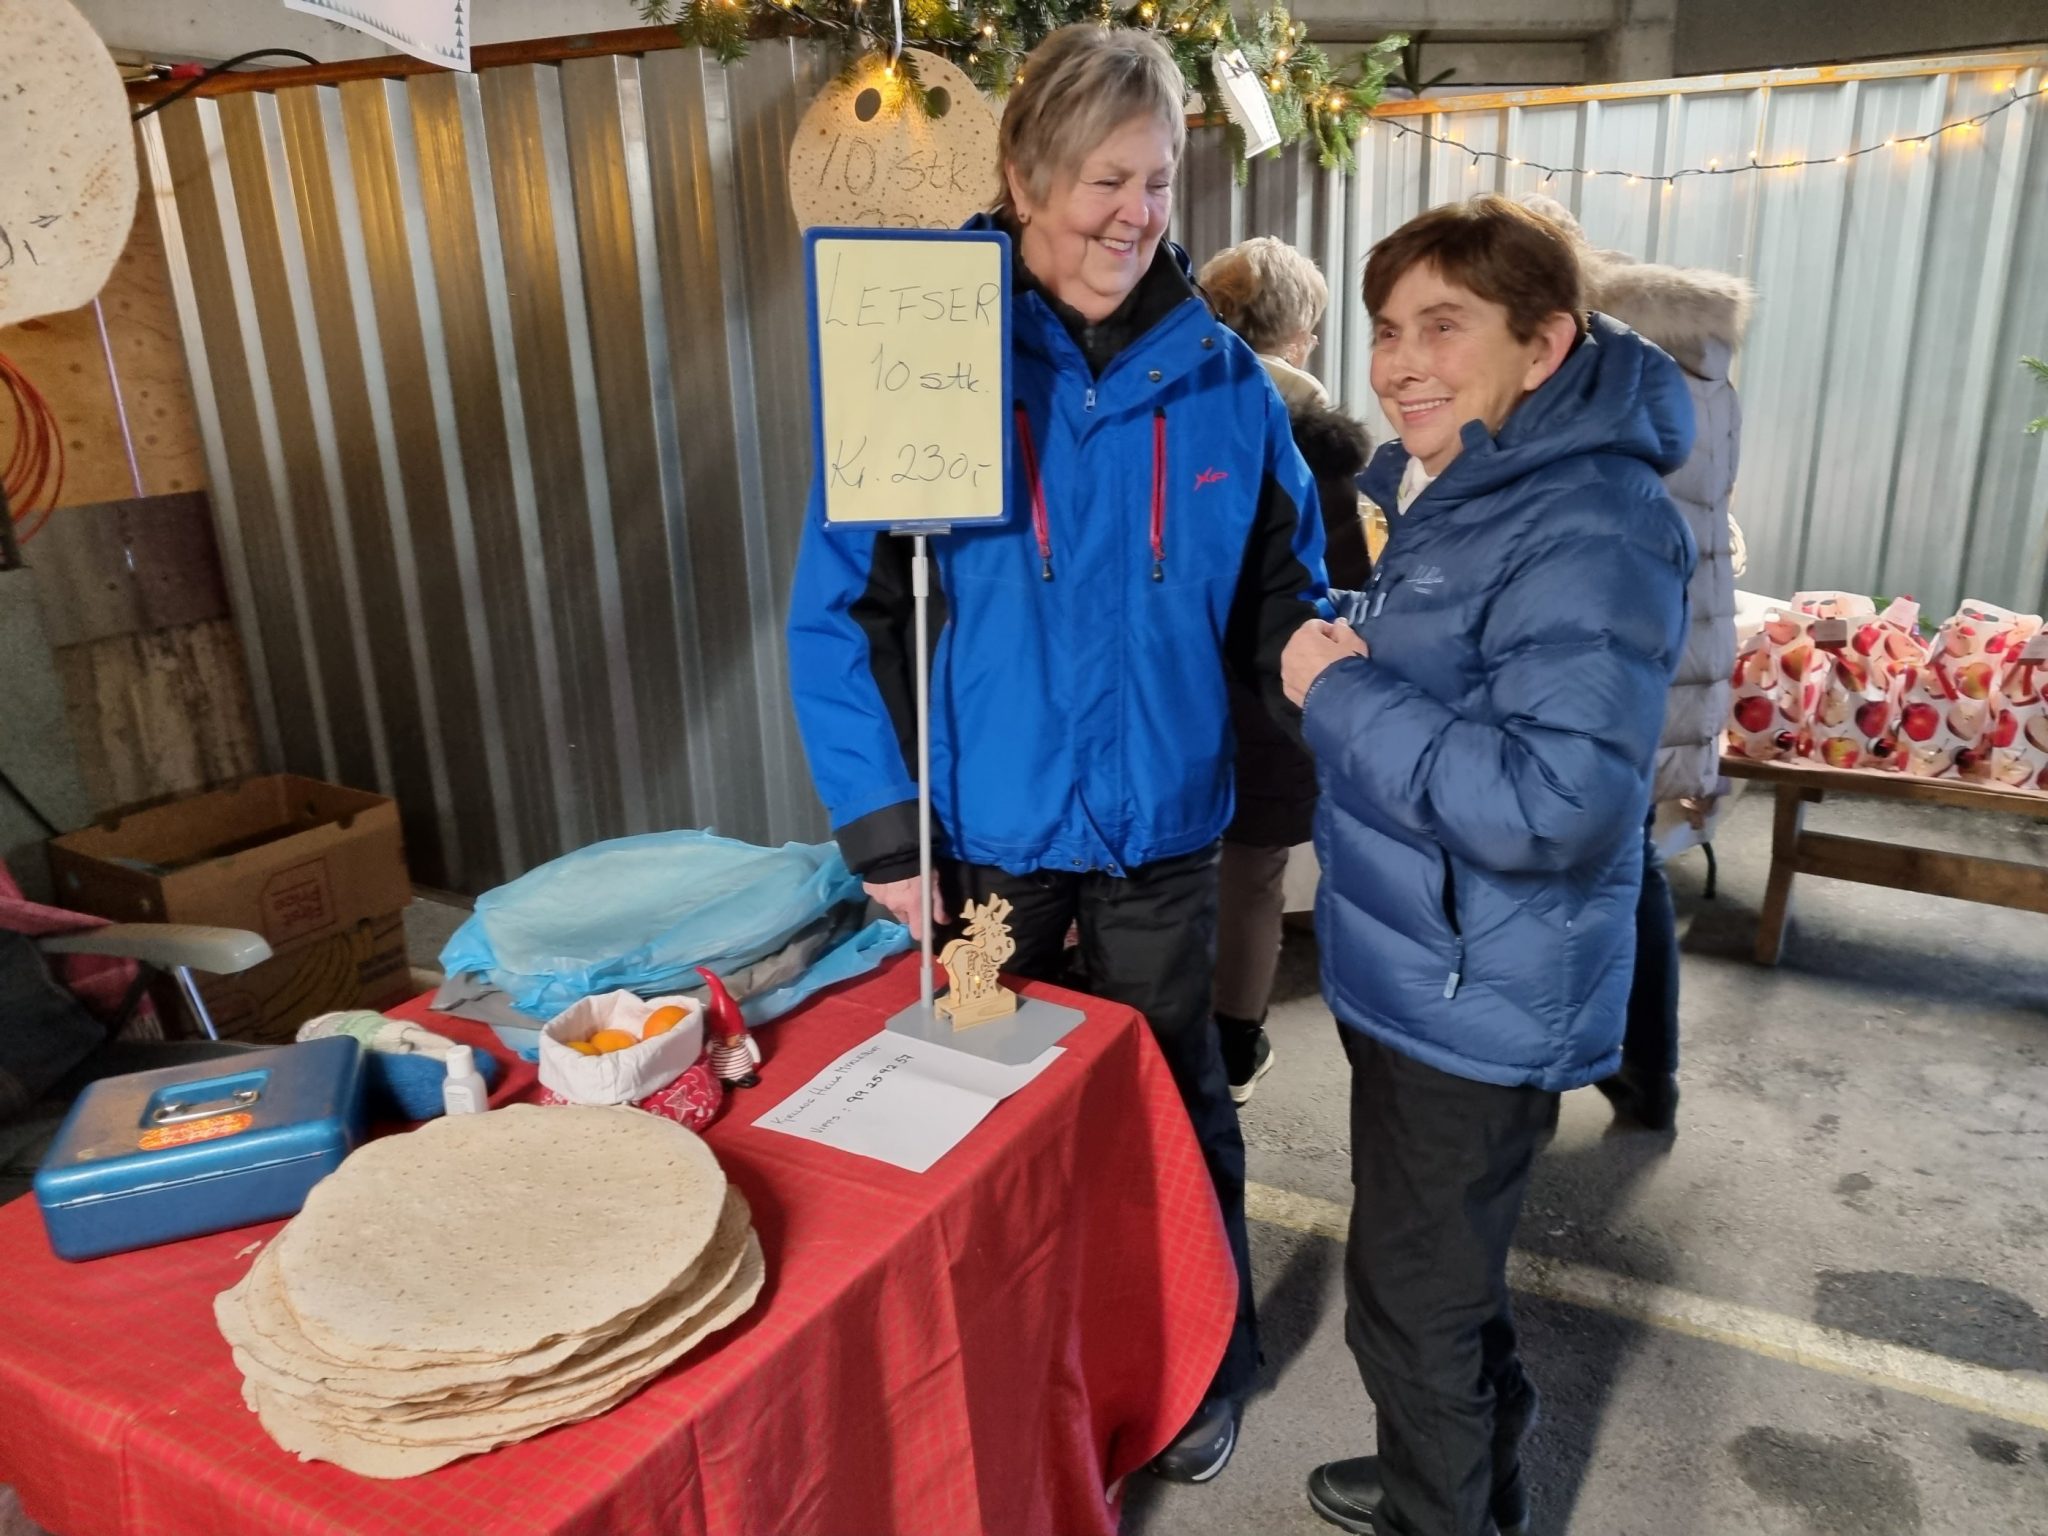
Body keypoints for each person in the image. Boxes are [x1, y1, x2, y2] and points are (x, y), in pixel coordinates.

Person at [786, 25, 1328, 1484]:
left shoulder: (1221, 386)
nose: (1134, 213)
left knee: (1170, 1102)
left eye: (1154, 181)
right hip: (981, 854)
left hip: (1159, 840)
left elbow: (1288, 594)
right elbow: (833, 615)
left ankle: (1201, 1361)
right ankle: (1003, 1357)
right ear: (1022, 177)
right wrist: (889, 839)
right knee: (975, 1102)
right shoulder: (927, 356)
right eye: (1103, 179)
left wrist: (1325, 674)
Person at [1279, 195, 1695, 1536]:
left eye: (1443, 326)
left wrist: (1337, 697)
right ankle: (1452, 1472)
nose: (1400, 361)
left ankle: (1440, 1504)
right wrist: (1351, 630)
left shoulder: (1591, 520)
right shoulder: (1478, 480)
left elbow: (1556, 798)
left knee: (1409, 1307)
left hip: (1478, 992)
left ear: (1546, 342)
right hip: (1429, 969)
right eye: (1389, 328)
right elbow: (1474, 664)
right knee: (1432, 1293)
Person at [1521, 195, 1751, 1133]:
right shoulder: (1700, 365)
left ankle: (1548, 1079)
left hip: (1607, 653)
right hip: (1674, 646)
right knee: (1632, 862)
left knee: (1564, 866)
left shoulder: (1598, 369)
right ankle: (1646, 1073)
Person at [1195, 237, 1373, 1102]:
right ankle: (1233, 1044)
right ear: (1300, 335)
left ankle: (1159, 1029)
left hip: (1171, 689)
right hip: (1267, 697)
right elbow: (1341, 595)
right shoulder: (1321, 446)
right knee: (1252, 868)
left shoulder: (1171, 408)